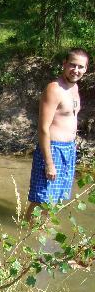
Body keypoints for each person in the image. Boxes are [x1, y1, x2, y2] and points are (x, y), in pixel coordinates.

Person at [25, 48, 89, 222]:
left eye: (81, 67)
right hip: (53, 150)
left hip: (68, 150)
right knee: (41, 200)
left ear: (86, 69)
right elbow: (43, 128)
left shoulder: (74, 88)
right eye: (72, 65)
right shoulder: (54, 89)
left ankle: (43, 234)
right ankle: (25, 233)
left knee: (57, 198)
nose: (76, 70)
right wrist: (49, 163)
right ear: (64, 64)